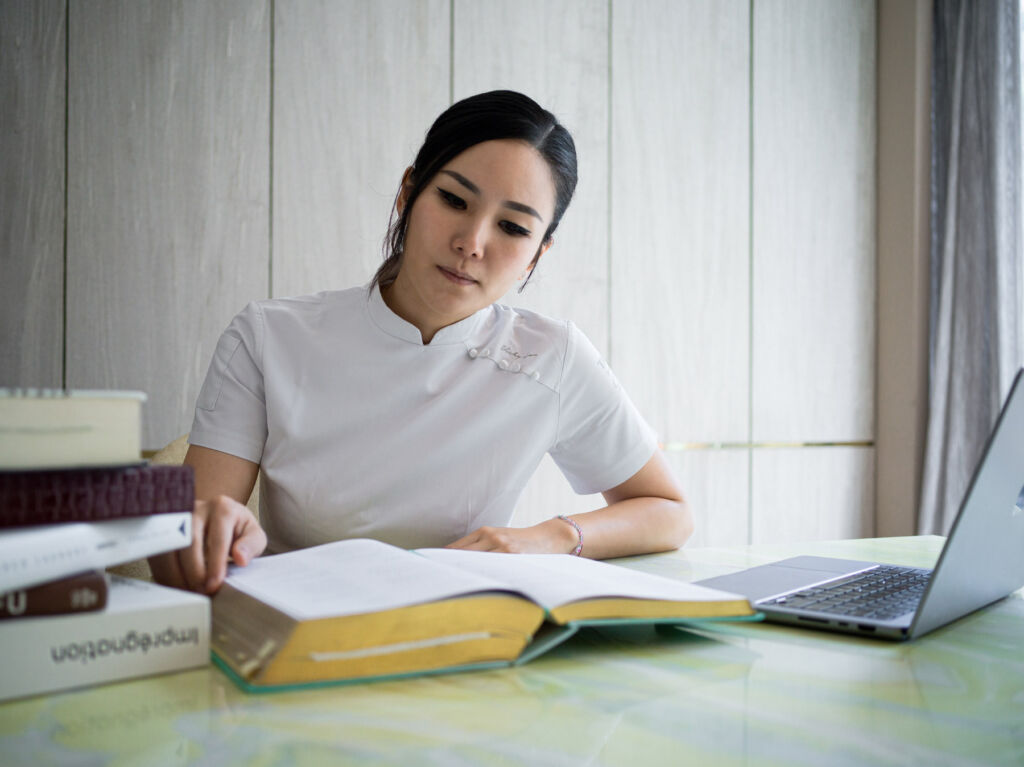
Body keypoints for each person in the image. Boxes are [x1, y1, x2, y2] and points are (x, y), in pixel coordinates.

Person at [149, 90, 693, 595]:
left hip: (459, 640)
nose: (471, 243)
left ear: (538, 253)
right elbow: (194, 531)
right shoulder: (269, 337)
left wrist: (550, 536)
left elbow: (669, 511)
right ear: (409, 193)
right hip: (298, 632)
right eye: (454, 200)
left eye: (513, 228)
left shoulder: (549, 358)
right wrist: (215, 532)